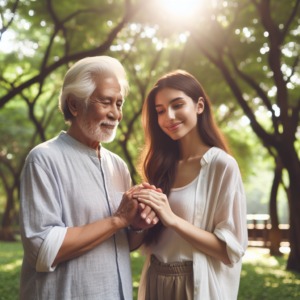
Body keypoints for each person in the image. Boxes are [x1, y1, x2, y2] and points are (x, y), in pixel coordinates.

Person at [19, 56, 159, 300]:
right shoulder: (43, 159)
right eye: (106, 102)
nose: (116, 114)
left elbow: (124, 243)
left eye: (119, 103)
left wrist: (136, 226)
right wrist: (117, 220)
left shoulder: (118, 165)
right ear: (74, 105)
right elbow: (41, 250)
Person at [134, 70, 248, 300]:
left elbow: (230, 251)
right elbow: (137, 243)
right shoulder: (158, 166)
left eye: (177, 105)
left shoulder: (221, 165)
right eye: (160, 111)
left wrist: (173, 219)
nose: (169, 116)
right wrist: (137, 222)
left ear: (199, 106)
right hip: (155, 280)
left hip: (195, 285)